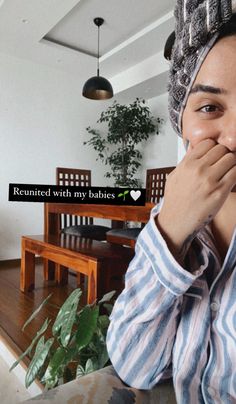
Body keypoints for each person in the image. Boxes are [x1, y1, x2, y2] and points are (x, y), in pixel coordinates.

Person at [106, 1, 236, 403]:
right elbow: (135, 367)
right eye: (210, 107)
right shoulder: (172, 215)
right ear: (181, 122)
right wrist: (171, 229)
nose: (233, 137)